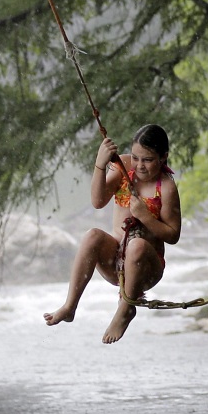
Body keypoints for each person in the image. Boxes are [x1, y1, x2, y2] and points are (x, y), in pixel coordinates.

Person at [44, 124, 181, 344]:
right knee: (92, 235)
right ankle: (70, 306)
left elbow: (173, 235)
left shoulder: (165, 187)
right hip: (114, 263)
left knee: (136, 244)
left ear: (163, 157)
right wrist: (100, 164)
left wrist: (145, 217)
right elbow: (98, 201)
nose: (140, 165)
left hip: (146, 267)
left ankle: (126, 308)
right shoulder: (123, 166)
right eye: (136, 158)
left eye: (147, 160)